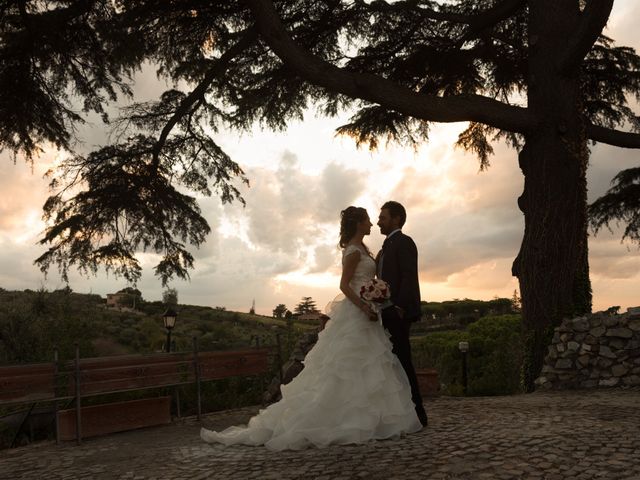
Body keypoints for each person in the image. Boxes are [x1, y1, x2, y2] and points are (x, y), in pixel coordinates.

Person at [200, 206, 422, 450]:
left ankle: (369, 417)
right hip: (359, 314)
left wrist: (377, 296)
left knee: (370, 366)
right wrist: (363, 306)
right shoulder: (354, 252)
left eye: (377, 219)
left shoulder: (368, 250)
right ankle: (341, 419)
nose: (373, 224)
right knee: (347, 366)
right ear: (358, 223)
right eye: (369, 220)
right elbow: (344, 285)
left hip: (370, 315)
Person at [376, 201, 428, 427]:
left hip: (397, 313)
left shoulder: (404, 242)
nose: (379, 221)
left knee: (403, 360)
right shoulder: (384, 248)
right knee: (391, 361)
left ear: (396, 219)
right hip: (383, 312)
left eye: (383, 218)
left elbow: (408, 276)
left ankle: (418, 413)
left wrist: (399, 306)